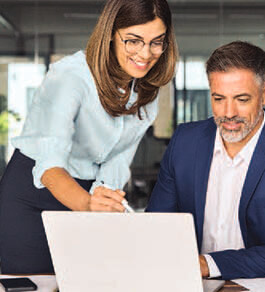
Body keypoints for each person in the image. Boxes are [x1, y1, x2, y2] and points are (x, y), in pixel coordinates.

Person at [0, 0, 177, 274]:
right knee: (40, 282)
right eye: (133, 41)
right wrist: (87, 205)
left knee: (90, 280)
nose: (146, 53)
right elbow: (49, 167)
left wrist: (104, 204)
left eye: (157, 42)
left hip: (89, 195)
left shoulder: (146, 94)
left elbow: (117, 162)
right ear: (110, 35)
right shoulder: (70, 76)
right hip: (35, 194)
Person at [146, 41, 265, 280]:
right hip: (190, 283)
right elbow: (157, 226)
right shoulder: (185, 141)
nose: (228, 113)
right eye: (218, 98)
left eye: (242, 99)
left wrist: (207, 264)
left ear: (264, 93)